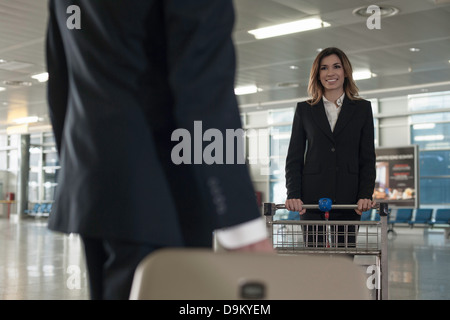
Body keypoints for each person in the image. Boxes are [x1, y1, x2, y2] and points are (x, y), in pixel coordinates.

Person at [46, 0, 272, 300]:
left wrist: (85, 172)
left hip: (95, 193)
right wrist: (240, 223)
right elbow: (203, 88)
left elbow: (62, 82)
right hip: (165, 197)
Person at [284, 47, 376, 247]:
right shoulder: (305, 110)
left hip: (349, 198)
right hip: (311, 198)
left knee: (344, 259)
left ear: (345, 71)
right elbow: (294, 158)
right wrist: (293, 194)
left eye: (336, 66)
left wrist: (365, 195)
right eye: (324, 68)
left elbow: (367, 158)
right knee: (315, 261)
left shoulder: (362, 109)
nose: (330, 73)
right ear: (317, 74)